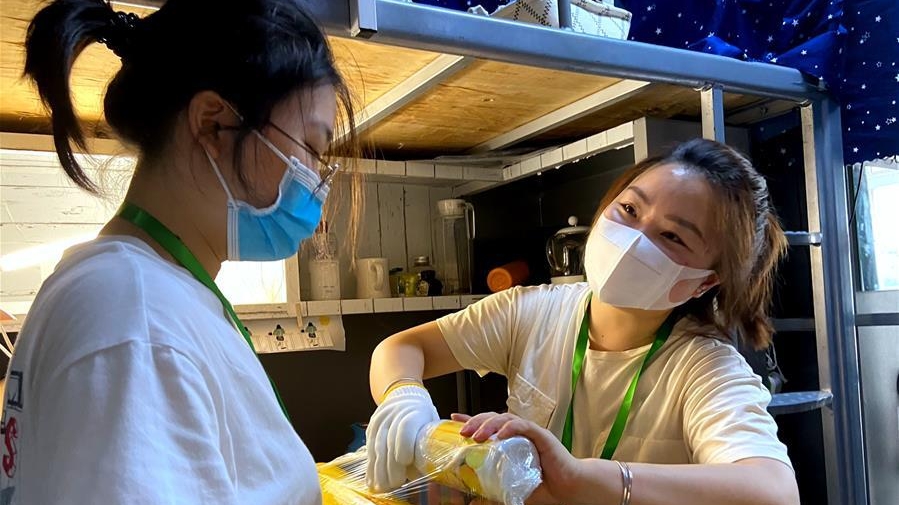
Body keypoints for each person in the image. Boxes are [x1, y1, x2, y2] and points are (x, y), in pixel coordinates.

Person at [1, 0, 359, 503]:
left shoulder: (143, 295)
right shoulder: (136, 322)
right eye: (312, 148)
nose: (317, 181)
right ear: (213, 124)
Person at [366, 139, 800, 505]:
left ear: (704, 282)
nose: (634, 239)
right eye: (629, 209)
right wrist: (405, 398)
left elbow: (774, 491)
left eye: (672, 236)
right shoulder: (530, 311)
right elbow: (403, 348)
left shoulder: (704, 368)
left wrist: (582, 477)